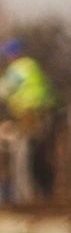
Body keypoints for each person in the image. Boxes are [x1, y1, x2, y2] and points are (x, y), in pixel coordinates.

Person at [0, 39, 59, 204]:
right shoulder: (32, 65)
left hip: (29, 114)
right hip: (43, 113)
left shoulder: (17, 69)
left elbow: (4, 90)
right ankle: (40, 192)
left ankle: (26, 196)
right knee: (38, 155)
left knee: (23, 156)